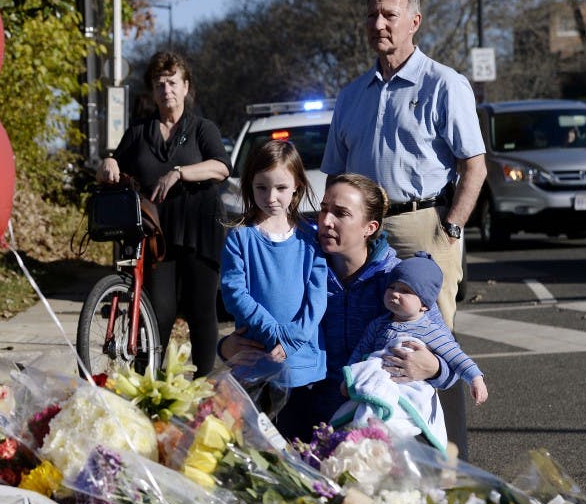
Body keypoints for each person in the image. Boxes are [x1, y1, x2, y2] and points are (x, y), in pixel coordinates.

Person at [319, 0, 487, 456]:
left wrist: (450, 228)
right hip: (362, 233)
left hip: (423, 227)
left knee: (431, 343)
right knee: (371, 337)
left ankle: (449, 460)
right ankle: (374, 453)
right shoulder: (351, 95)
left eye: (390, 15)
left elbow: (474, 165)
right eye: (373, 15)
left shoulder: (444, 83)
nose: (379, 24)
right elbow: (335, 173)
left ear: (414, 22)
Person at [219, 173, 456, 440]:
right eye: (323, 209)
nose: (325, 221)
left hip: (376, 425)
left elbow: (449, 360)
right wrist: (228, 348)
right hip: (306, 415)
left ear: (370, 227)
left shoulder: (397, 280)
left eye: (341, 213)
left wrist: (435, 367)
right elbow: (268, 324)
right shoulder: (299, 264)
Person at [97, 51, 231, 377]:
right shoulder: (139, 133)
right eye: (159, 84)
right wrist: (108, 164)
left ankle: (204, 385)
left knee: (201, 312)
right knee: (159, 312)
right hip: (157, 234)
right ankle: (150, 384)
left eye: (172, 82)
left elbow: (221, 167)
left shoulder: (203, 128)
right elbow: (116, 166)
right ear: (152, 92)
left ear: (186, 87)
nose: (166, 90)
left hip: (200, 228)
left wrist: (180, 172)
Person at [219, 140, 328, 441]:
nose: (271, 197)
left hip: (304, 368)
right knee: (262, 451)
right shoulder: (239, 238)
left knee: (304, 450)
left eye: (281, 187)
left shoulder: (311, 238)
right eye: (261, 187)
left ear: (297, 186)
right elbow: (234, 294)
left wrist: (293, 338)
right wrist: (273, 333)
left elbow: (317, 298)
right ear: (249, 186)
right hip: (257, 368)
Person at [334, 252, 488, 450]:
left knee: (397, 422)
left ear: (424, 305)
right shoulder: (378, 325)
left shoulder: (430, 330)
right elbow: (361, 352)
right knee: (359, 414)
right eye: (392, 287)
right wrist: (349, 378)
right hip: (377, 382)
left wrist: (475, 378)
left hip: (409, 390)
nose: (395, 293)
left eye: (405, 291)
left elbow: (455, 355)